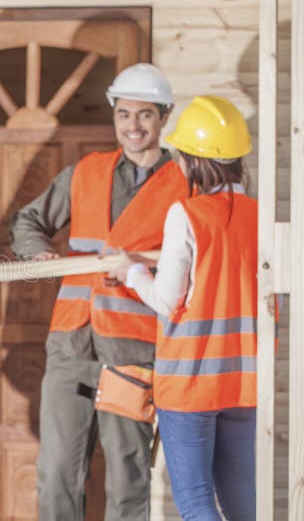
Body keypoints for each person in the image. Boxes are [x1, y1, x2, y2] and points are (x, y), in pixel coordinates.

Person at [9, 62, 189, 520]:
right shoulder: (86, 172)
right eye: (124, 114)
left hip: (134, 350)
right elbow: (28, 221)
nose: (133, 126)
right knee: (56, 478)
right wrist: (38, 255)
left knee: (129, 482)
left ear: (164, 117)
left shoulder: (184, 184)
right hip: (71, 343)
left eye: (145, 115)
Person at [109, 96, 257, 520]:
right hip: (243, 383)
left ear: (192, 161)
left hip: (190, 383)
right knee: (242, 500)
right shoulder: (259, 215)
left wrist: (131, 272)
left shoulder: (187, 214)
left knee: (194, 503)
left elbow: (167, 302)